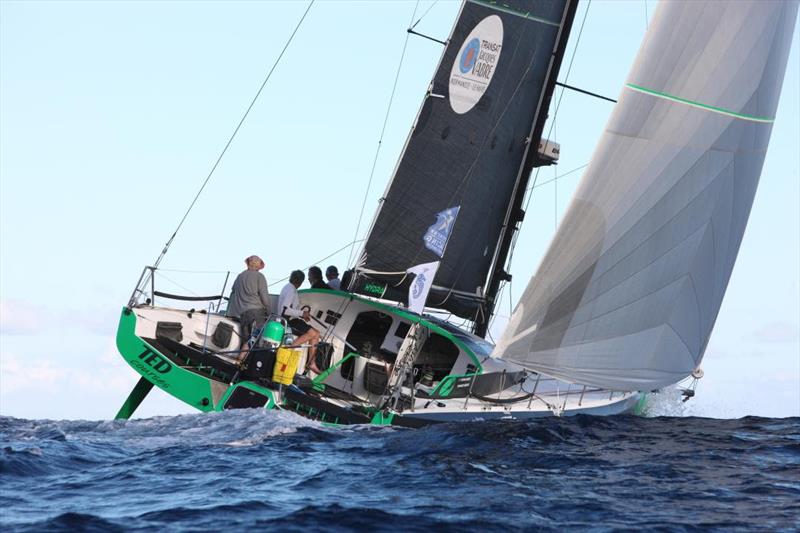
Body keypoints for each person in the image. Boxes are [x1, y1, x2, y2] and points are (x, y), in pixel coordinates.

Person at [277, 270, 322, 374]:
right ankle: (289, 348)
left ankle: (312, 363)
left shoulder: (287, 287)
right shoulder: (291, 290)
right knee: (314, 333)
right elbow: (285, 310)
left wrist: (302, 315)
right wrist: (302, 313)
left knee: (316, 334)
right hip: (287, 321)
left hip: (291, 319)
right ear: (300, 281)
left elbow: (289, 309)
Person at [227, 255, 271, 354]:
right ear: (259, 266)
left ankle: (240, 363)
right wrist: (269, 313)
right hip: (257, 313)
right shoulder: (260, 276)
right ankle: (245, 363)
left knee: (246, 341)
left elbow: (233, 290)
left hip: (242, 314)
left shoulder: (240, 276)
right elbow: (265, 298)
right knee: (256, 343)